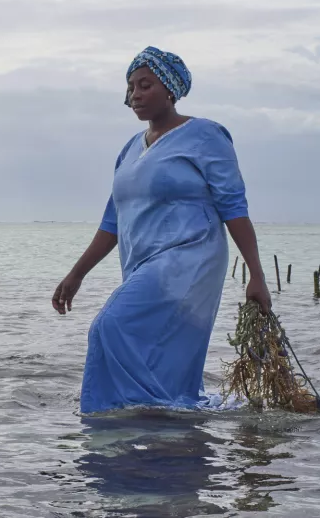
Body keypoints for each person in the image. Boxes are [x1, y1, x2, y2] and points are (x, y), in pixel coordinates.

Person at [52, 46, 272, 415]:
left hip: (191, 257)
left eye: (145, 85)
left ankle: (111, 418)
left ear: (170, 88)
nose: (134, 94)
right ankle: (160, 430)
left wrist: (256, 275)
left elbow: (234, 207)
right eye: (130, 87)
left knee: (109, 326)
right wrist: (77, 274)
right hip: (141, 261)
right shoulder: (129, 149)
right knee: (158, 349)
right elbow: (112, 221)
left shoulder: (205, 135)